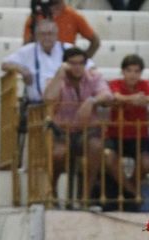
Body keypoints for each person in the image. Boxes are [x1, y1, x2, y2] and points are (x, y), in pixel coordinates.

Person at [46, 45, 111, 202]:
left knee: (96, 146)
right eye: (73, 63)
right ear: (65, 64)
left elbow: (108, 95)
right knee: (58, 154)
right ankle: (52, 190)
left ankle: (85, 196)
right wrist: (60, 75)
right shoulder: (56, 79)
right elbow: (48, 98)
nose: (77, 67)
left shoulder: (94, 77)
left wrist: (92, 101)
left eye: (81, 63)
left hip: (86, 132)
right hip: (62, 132)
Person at [103, 53, 149, 206]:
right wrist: (135, 98)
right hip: (115, 135)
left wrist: (142, 98)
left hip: (140, 136)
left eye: (136, 71)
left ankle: (128, 190)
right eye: (129, 70)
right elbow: (115, 97)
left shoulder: (145, 84)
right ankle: (133, 192)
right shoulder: (115, 83)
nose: (133, 75)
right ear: (123, 71)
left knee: (146, 163)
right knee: (107, 156)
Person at [1, 17, 65, 106]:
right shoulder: (28, 50)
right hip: (38, 107)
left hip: (65, 104)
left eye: (50, 34)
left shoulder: (67, 48)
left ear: (56, 35)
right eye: (43, 34)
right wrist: (22, 70)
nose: (47, 37)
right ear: (37, 36)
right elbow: (5, 64)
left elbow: (89, 66)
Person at [22, 0, 99, 59]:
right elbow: (26, 46)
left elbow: (95, 41)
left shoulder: (74, 16)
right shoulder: (36, 16)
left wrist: (82, 62)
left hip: (65, 65)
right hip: (42, 63)